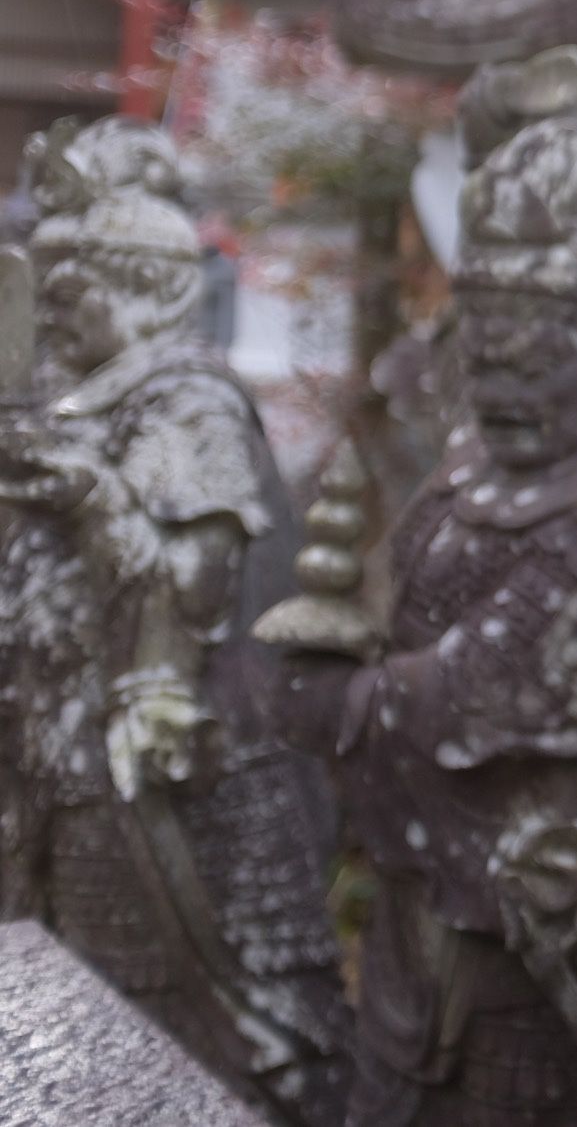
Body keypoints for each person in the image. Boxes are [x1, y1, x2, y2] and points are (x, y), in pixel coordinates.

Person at [276, 111, 577, 1125]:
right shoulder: (475, 460)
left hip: (546, 929)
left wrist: (333, 699)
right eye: (483, 361)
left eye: (528, 365)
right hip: (423, 898)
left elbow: (478, 695)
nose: (495, 388)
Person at [0, 116, 348, 1121]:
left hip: (159, 768)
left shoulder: (188, 404)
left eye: (75, 307)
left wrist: (92, 497)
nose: (59, 335)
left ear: (148, 288)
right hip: (57, 762)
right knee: (58, 1010)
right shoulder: (75, 410)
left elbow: (193, 584)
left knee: (173, 1015)